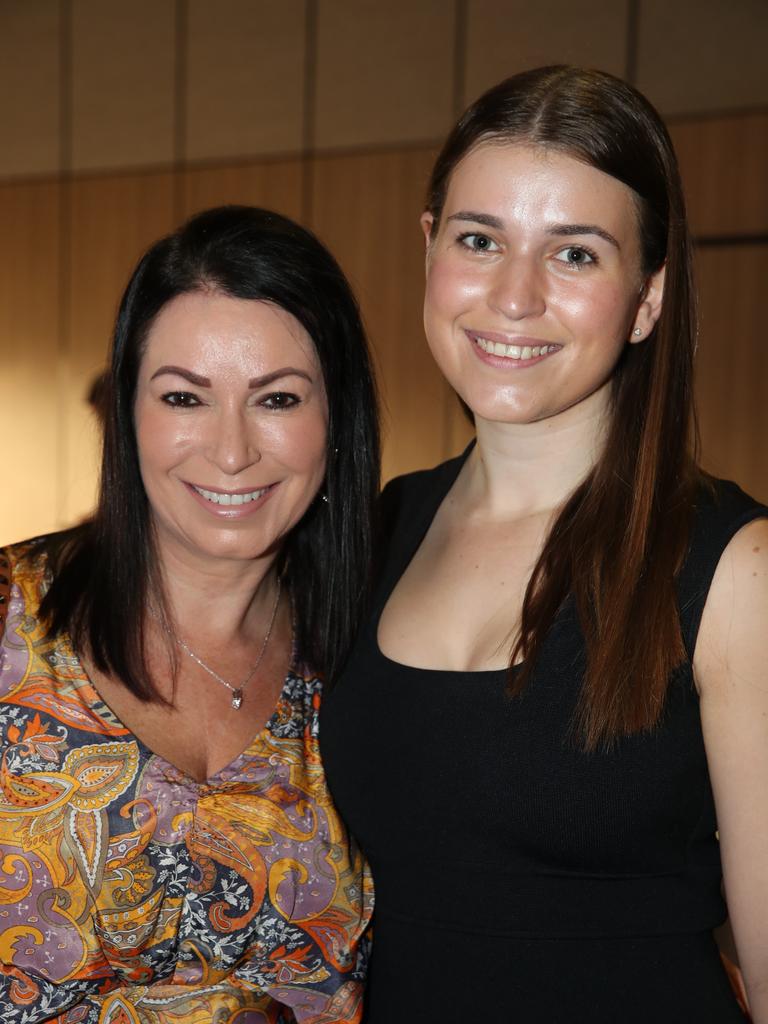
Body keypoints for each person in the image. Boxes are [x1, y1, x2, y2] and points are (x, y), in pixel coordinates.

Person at [320, 66, 768, 1022]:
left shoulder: (736, 568)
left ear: (647, 298)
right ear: (430, 247)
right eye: (481, 240)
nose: (513, 296)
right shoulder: (376, 529)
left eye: (575, 256)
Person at [0, 205, 379, 1023]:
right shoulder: (10, 620)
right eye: (184, 398)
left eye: (277, 399)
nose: (232, 450)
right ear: (129, 413)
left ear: (335, 423)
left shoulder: (370, 660)